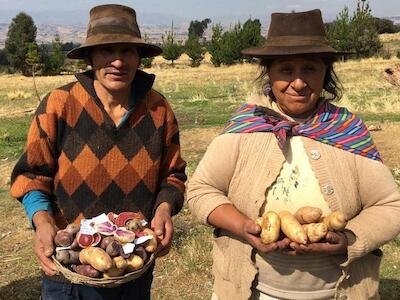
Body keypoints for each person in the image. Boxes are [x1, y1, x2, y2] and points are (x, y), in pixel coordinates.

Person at [187, 9, 400, 300]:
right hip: (252, 292)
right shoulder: (246, 128)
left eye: (310, 69)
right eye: (286, 70)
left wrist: (348, 239)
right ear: (270, 73)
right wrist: (244, 226)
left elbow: (390, 206)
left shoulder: (346, 129)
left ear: (326, 73)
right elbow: (201, 191)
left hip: (340, 292)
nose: (298, 83)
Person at [10, 4, 186, 300]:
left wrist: (165, 208)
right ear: (90, 57)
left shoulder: (158, 110)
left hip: (131, 263)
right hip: (69, 266)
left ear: (139, 57)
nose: (118, 61)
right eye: (107, 50)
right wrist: (41, 223)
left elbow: (173, 174)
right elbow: (31, 175)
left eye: (128, 51)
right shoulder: (60, 104)